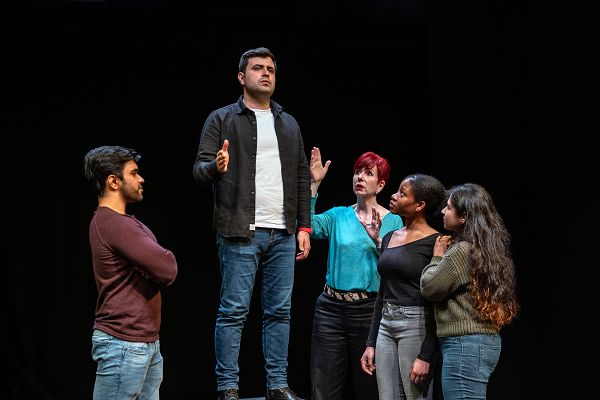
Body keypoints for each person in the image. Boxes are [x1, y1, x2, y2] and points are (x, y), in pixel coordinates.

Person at [192, 47, 311, 400]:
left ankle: (277, 385)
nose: (266, 74)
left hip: (284, 231)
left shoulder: (288, 123)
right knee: (234, 312)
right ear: (242, 77)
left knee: (280, 312)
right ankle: (227, 387)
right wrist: (216, 167)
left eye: (271, 69)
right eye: (258, 68)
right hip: (240, 230)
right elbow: (199, 170)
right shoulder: (221, 119)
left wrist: (304, 227)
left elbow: (302, 177)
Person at [308, 148, 404, 400]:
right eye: (357, 172)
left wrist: (377, 241)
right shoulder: (338, 215)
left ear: (380, 184)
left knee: (368, 386)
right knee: (323, 387)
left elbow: (398, 268)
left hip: (368, 311)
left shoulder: (394, 221)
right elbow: (306, 224)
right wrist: (314, 184)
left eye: (368, 173)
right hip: (330, 309)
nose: (359, 177)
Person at [83, 145, 178, 400]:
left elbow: (160, 267)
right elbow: (167, 268)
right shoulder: (111, 223)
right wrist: (152, 267)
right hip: (123, 345)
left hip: (145, 343)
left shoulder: (128, 224)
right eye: (134, 173)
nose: (141, 179)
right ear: (113, 181)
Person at [420, 183, 519, 400]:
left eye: (448, 208)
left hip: (465, 346)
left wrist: (437, 257)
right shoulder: (486, 248)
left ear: (463, 216)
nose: (443, 212)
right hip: (480, 343)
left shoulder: (462, 251)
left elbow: (430, 288)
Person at [360, 173, 446, 400]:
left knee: (414, 396)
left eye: (402, 193)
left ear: (420, 205)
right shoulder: (389, 237)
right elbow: (383, 292)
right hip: (386, 325)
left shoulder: (437, 243)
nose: (394, 196)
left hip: (415, 324)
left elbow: (438, 303)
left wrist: (426, 354)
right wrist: (371, 343)